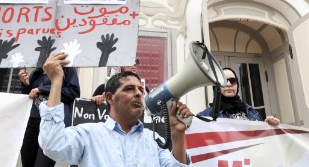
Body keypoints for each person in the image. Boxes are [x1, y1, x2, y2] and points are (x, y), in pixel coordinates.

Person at [38, 52, 193, 166]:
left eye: (140, 90)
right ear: (110, 98)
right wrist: (57, 80)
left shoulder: (153, 141)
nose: (138, 94)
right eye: (129, 89)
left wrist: (178, 136)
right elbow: (53, 145)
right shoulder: (88, 135)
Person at [19, 66, 80, 167]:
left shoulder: (67, 69)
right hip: (31, 123)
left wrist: (42, 89)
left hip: (52, 125)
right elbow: (29, 96)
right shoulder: (37, 71)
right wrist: (25, 85)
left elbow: (73, 92)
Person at [197, 67, 280, 125]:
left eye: (233, 81)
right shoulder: (207, 114)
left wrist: (269, 125)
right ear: (216, 87)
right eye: (224, 81)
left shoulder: (251, 111)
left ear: (237, 85)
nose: (229, 84)